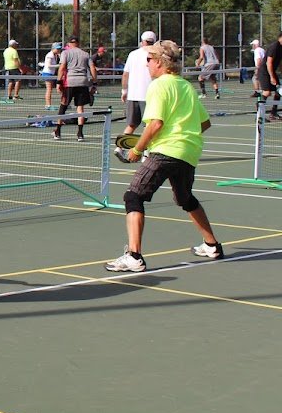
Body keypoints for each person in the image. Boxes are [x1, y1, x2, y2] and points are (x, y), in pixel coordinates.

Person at [105, 40, 223, 272]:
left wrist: (137, 150)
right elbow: (204, 123)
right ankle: (212, 245)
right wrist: (181, 135)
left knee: (133, 196)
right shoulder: (186, 86)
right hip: (188, 152)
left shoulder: (159, 85)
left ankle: (134, 256)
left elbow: (155, 124)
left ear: (160, 62)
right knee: (185, 199)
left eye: (149, 59)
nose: (147, 63)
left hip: (166, 152)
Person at [54, 36, 97, 141]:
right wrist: (94, 83)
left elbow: (62, 67)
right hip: (83, 82)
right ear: (78, 43)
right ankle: (80, 134)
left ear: (69, 44)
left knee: (63, 106)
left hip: (70, 82)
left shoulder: (65, 53)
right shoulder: (85, 54)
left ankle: (58, 132)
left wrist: (58, 82)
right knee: (80, 108)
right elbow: (92, 68)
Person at [119, 31, 157, 142]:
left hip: (133, 95)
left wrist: (124, 91)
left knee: (131, 125)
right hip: (149, 95)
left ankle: (119, 147)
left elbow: (125, 74)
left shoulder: (133, 54)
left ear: (142, 41)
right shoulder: (155, 55)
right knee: (148, 125)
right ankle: (145, 149)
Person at [260, 33, 282, 120]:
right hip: (265, 72)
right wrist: (272, 77)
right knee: (267, 92)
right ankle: (259, 115)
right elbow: (268, 63)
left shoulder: (281, 48)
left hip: (272, 71)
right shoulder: (274, 46)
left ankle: (273, 113)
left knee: (278, 91)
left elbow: (280, 63)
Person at [40, 42, 63, 110]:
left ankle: (64, 103)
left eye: (59, 49)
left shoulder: (55, 55)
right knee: (49, 89)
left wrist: (60, 55)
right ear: (53, 48)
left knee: (58, 89)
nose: (59, 50)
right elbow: (49, 65)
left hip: (51, 74)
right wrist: (58, 66)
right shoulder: (50, 55)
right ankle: (48, 105)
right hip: (47, 74)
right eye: (57, 49)